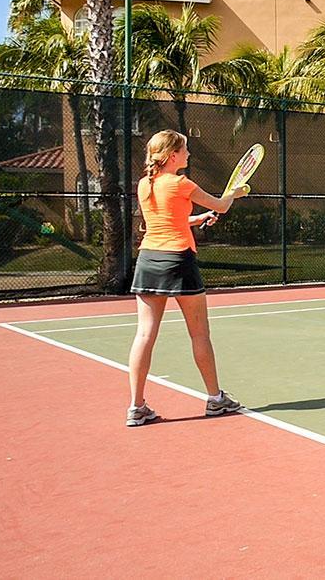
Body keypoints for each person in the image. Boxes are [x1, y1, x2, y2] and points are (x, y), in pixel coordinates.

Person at [126, 130, 248, 427]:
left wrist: (198, 218)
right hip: (178, 261)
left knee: (144, 335)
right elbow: (221, 205)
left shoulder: (146, 184)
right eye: (185, 150)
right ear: (172, 156)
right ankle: (216, 399)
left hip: (148, 260)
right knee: (199, 334)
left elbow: (167, 218)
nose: (189, 155)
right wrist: (235, 194)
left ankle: (136, 406)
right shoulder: (181, 183)